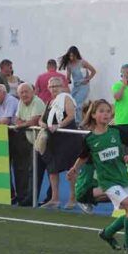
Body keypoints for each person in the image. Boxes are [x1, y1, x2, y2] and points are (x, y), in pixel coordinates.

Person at [67, 99, 128, 254]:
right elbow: (83, 157)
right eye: (101, 111)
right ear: (93, 115)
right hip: (108, 182)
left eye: (108, 111)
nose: (106, 114)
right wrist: (74, 169)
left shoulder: (118, 132)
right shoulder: (89, 139)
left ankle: (107, 233)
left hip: (123, 177)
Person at [39, 77, 81, 209]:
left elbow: (70, 115)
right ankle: (54, 199)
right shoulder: (49, 102)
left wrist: (58, 125)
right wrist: (43, 124)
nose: (54, 88)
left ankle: (73, 198)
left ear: (62, 86)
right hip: (53, 140)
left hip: (68, 138)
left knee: (71, 169)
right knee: (52, 169)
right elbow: (41, 119)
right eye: (51, 86)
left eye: (56, 86)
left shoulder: (66, 98)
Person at [13, 83, 45, 206]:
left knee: (36, 171)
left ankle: (32, 198)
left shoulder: (37, 102)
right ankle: (27, 197)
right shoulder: (21, 102)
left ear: (33, 92)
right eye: (21, 92)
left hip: (42, 142)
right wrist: (24, 123)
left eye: (27, 91)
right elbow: (17, 119)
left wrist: (22, 124)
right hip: (30, 140)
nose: (24, 94)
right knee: (28, 170)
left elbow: (34, 121)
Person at [59, 46, 97, 123]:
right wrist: (67, 80)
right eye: (70, 56)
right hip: (75, 86)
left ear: (76, 55)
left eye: (72, 55)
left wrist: (88, 78)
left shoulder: (82, 62)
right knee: (71, 102)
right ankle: (72, 120)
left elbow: (93, 71)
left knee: (78, 104)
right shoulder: (69, 65)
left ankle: (78, 122)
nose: (71, 57)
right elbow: (68, 76)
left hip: (83, 86)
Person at [111, 64, 128, 135]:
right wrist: (123, 86)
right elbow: (117, 97)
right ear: (122, 74)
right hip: (121, 122)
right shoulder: (117, 85)